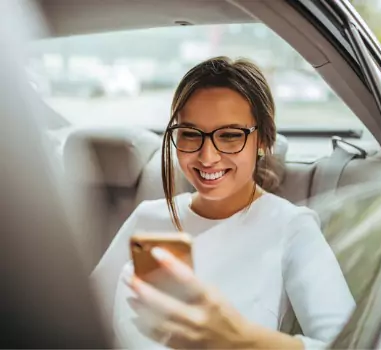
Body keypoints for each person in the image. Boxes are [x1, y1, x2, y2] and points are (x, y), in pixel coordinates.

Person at [91, 56, 355, 349]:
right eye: (191, 134)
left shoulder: (291, 227)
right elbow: (78, 318)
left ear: (263, 141)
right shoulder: (147, 219)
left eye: (230, 136)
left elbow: (351, 345)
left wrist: (241, 339)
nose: (207, 157)